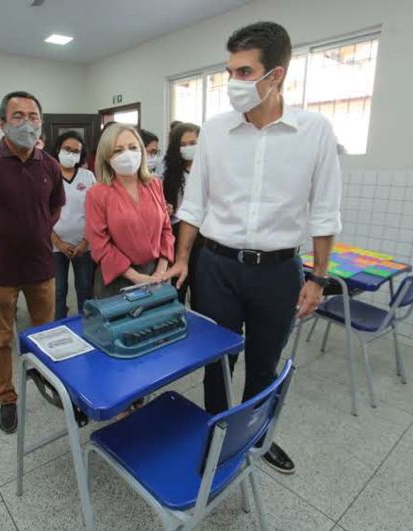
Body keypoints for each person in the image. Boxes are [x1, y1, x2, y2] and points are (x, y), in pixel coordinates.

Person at [164, 21, 342, 475]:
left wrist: (318, 277)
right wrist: (184, 257)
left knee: (264, 363)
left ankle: (257, 436)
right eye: (230, 71)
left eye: (244, 72)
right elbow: (195, 204)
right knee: (217, 360)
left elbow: (325, 210)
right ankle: (217, 436)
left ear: (276, 74)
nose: (233, 83)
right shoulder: (216, 131)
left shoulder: (314, 131)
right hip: (217, 267)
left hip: (279, 271)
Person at [0, 91, 64, 434]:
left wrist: (39, 232)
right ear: (2, 122)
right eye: (17, 116)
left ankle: (44, 376)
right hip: (0, 270)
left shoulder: (48, 163)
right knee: (1, 338)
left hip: (40, 267)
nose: (27, 122)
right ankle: (7, 398)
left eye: (33, 116)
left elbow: (55, 207)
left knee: (44, 332)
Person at [85, 124, 174, 297]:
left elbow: (166, 229)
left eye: (133, 148)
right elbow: (100, 245)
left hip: (157, 274)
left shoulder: (154, 184)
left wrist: (160, 271)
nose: (127, 154)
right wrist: (138, 278)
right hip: (118, 278)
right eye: (118, 150)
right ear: (106, 156)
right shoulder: (97, 193)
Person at [51, 131, 96, 320]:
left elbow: (97, 213)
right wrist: (58, 243)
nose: (71, 154)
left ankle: (84, 325)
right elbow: (41, 213)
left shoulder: (88, 177)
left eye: (76, 151)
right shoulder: (48, 175)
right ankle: (58, 326)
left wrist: (86, 242)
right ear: (58, 149)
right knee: (58, 290)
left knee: (85, 288)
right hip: (54, 245)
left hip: (84, 246)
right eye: (67, 149)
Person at [162, 122, 201, 306]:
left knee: (201, 288)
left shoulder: (208, 171)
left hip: (205, 238)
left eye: (193, 143)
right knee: (178, 285)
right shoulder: (170, 174)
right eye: (183, 145)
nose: (188, 148)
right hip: (177, 234)